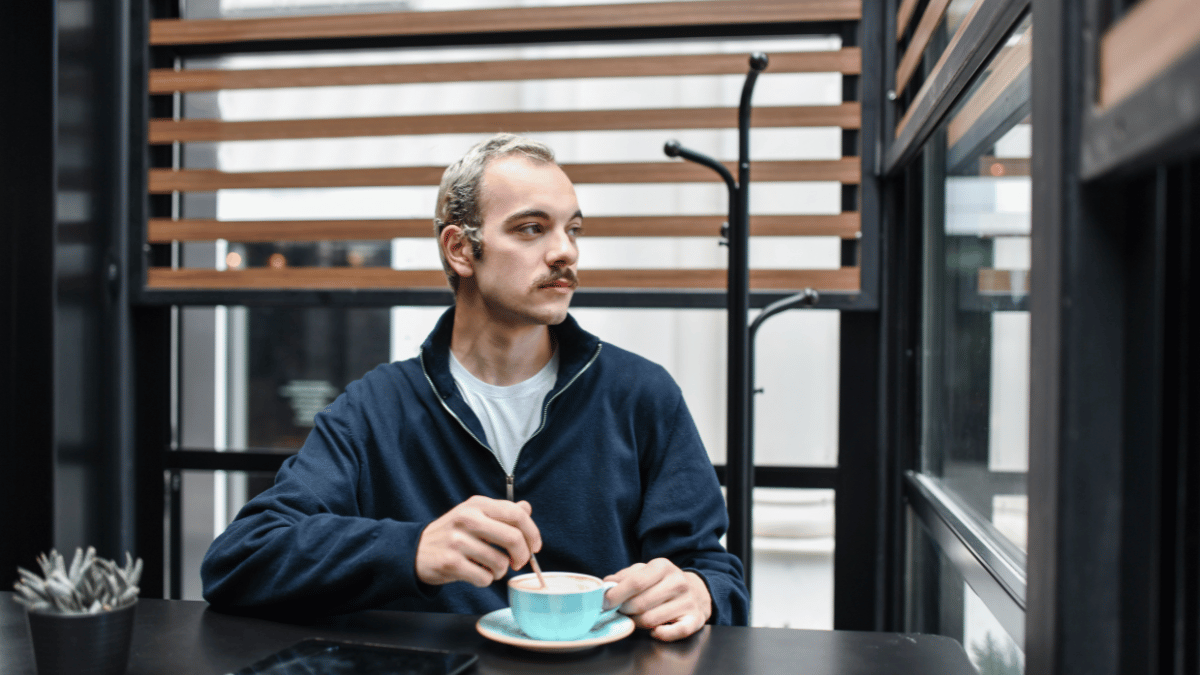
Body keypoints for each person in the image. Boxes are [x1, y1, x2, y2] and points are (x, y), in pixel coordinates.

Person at [201, 133, 749, 641]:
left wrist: (700, 592)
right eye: (532, 228)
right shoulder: (375, 410)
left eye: (572, 228)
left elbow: (714, 573)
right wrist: (411, 550)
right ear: (461, 250)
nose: (566, 252)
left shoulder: (641, 396)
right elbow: (240, 562)